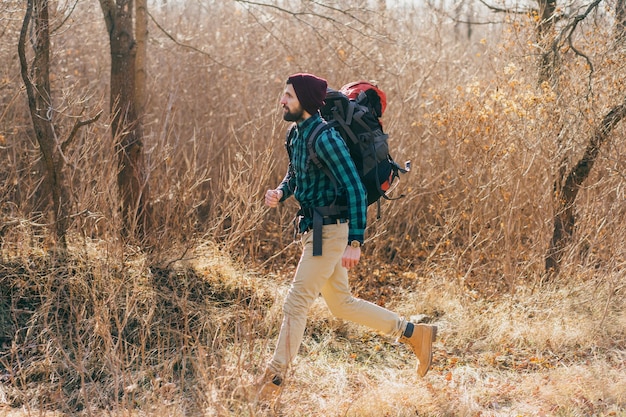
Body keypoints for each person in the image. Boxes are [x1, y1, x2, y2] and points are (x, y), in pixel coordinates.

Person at [256, 73, 437, 401]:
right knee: (341, 304)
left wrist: (354, 241)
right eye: (284, 94)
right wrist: (281, 192)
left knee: (296, 302)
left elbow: (354, 186)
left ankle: (273, 379)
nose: (282, 101)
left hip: (331, 228)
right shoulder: (295, 134)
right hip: (316, 227)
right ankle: (414, 334)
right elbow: (295, 173)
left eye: (288, 96)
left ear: (306, 102)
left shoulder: (327, 138)